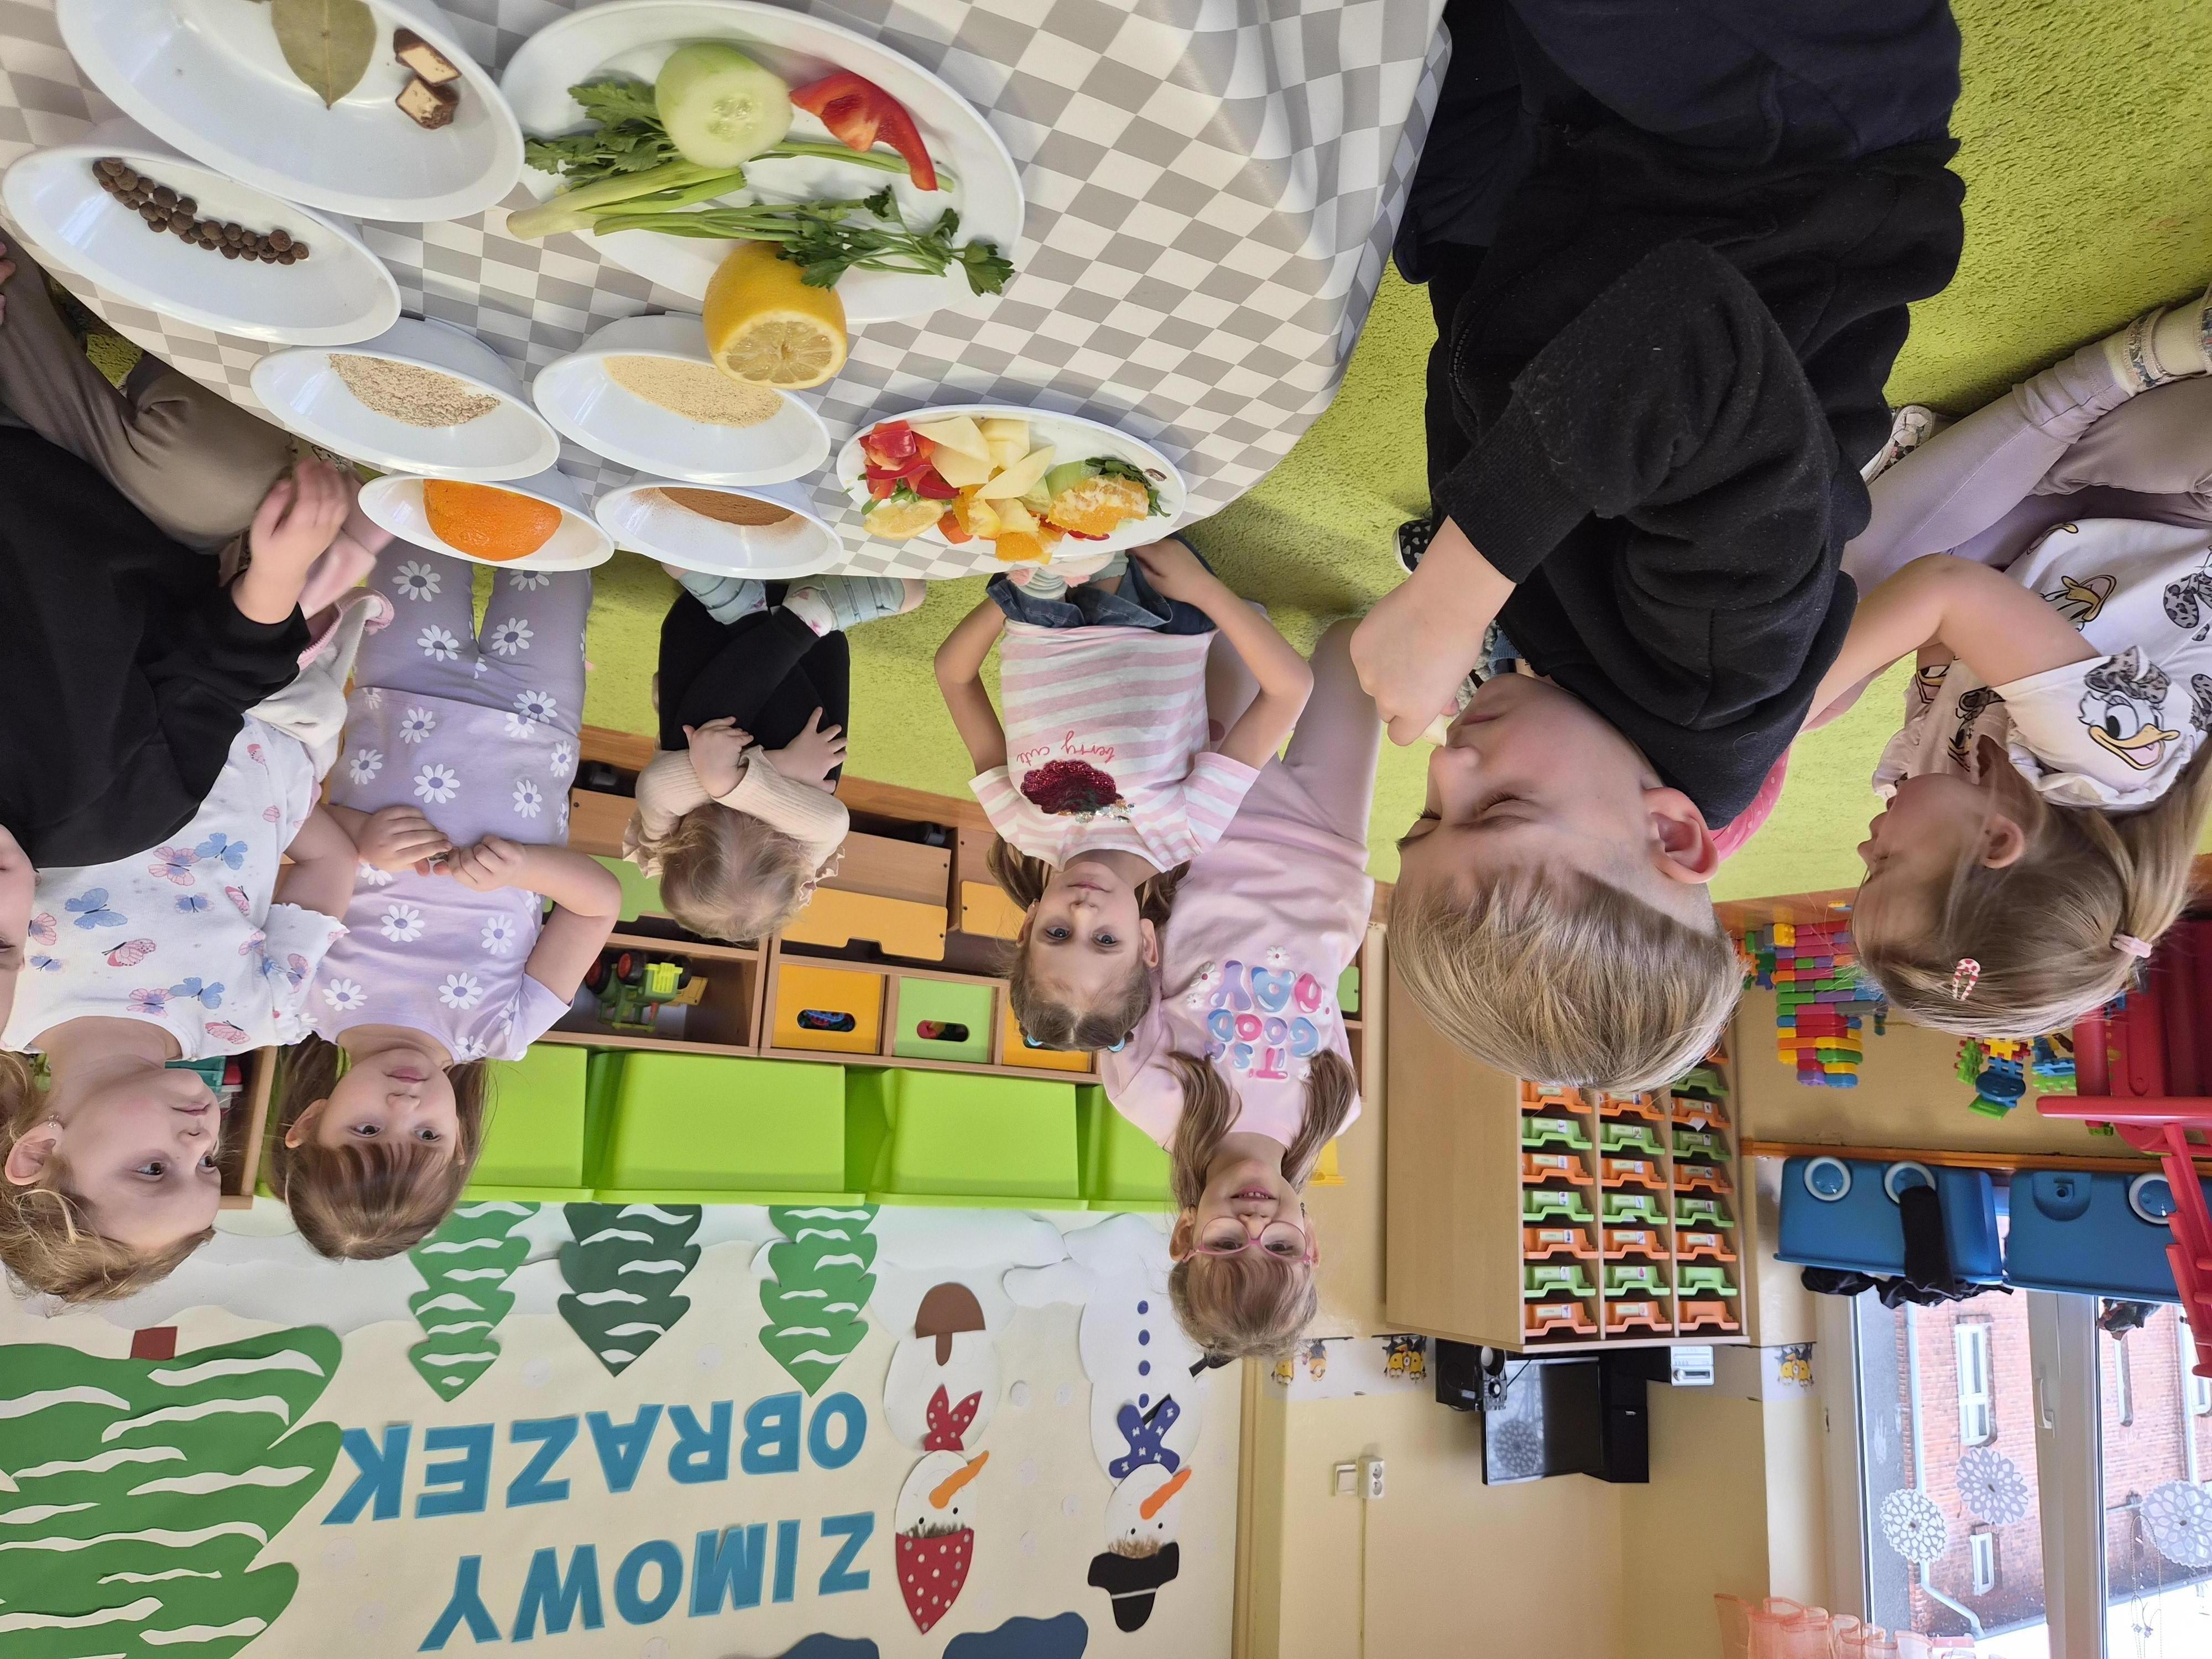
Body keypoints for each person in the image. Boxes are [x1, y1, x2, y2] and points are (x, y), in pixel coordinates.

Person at [1357, 0, 1968, 1091]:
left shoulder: (1593, 714)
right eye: (1495, 809)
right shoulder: (1724, 662)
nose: (1444, 764)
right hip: (1787, 143)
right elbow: (1688, 340)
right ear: (1672, 836)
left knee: (1386, 138)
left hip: (1570, 202)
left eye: (1426, 816)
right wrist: (1450, 594)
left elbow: (1513, 422)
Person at [1806, 285, 2212, 1036]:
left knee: (1842, 593)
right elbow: (1945, 591)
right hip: (2191, 506)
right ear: (1997, 840)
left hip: (2062, 536)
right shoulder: (2111, 759)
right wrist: (1793, 705)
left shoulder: (1930, 775)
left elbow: (1934, 637)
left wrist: (1844, 678)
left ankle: (2000, 456)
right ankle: (2123, 366)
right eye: (1883, 866)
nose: (1863, 845)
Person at [277, 552, 620, 1259]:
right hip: (538, 720)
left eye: (367, 1130)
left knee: (424, 524)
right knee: (559, 548)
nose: (404, 1107)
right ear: (460, 1139)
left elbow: (281, 826)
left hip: (399, 690)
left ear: (309, 1122)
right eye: (428, 1136)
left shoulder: (294, 994)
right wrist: (525, 868)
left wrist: (361, 840)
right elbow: (597, 907)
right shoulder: (504, 1029)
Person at [0, 241, 378, 868]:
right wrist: (280, 570)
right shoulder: (120, 815)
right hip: (131, 512)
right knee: (224, 472)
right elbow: (224, 670)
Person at [0, 713, 357, 1300]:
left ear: (40, 1149)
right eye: (208, 1165)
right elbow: (330, 864)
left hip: (93, 706)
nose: (198, 1141)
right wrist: (273, 779)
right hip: (266, 709)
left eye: (155, 1170)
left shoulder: (8, 997)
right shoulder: (254, 1016)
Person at [1102, 620, 1375, 1358]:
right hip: (1328, 847)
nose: (1256, 1224)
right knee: (1353, 642)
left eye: (1227, 1242)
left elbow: (1125, 947)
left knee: (1225, 613)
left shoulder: (1150, 1096)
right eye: (1279, 1247)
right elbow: (1322, 970)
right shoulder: (1336, 1107)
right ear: (1309, 1241)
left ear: (1186, 1234)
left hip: (1210, 825)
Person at [934, 538, 1312, 1049]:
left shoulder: (1020, 826)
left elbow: (954, 677)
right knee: (1103, 530)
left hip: (1037, 619)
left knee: (1041, 536)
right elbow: (1290, 691)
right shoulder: (1185, 830)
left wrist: (1008, 596)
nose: (1083, 911)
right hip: (1159, 618)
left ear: (1028, 925)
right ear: (1147, 943)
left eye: (1058, 933)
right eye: (1106, 940)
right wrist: (1205, 591)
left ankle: (1054, 571)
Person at [626, 572, 922, 942]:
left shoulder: (662, 843)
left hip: (700, 627)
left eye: (722, 810)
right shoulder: (804, 861)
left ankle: (768, 616)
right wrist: (761, 773)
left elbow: (656, 786)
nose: (736, 805)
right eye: (756, 818)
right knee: (821, 775)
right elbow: (834, 822)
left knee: (695, 745)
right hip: (813, 658)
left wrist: (730, 778)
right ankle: (774, 617)